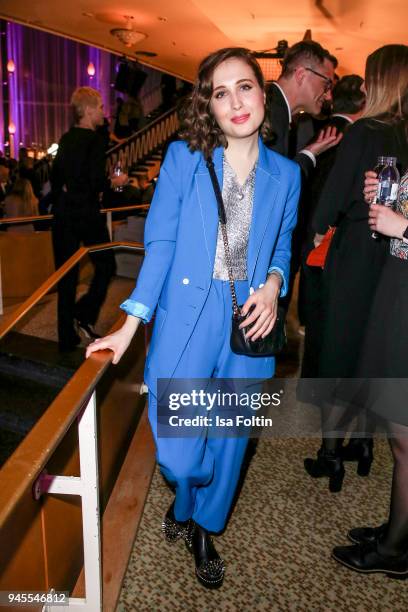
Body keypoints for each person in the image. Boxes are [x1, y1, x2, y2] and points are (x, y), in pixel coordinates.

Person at [86, 47, 300, 588]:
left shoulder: (288, 174)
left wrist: (275, 286)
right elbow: (159, 244)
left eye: (244, 86)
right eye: (220, 92)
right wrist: (129, 323)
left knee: (229, 444)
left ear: (262, 93)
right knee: (182, 457)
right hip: (187, 318)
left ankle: (204, 525)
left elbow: (282, 246)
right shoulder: (184, 159)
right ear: (210, 106)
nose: (235, 101)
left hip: (247, 324)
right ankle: (186, 495)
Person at [304, 44, 408, 492]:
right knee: (369, 352)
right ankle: (364, 442)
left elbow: (330, 202)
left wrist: (314, 229)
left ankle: (331, 454)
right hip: (393, 261)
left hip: (354, 255)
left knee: (335, 350)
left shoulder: (365, 131)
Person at [332, 163, 408, 576]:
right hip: (398, 289)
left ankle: (395, 550)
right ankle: (399, 529)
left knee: (405, 439)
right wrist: (384, 200)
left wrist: (404, 227)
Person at [51, 86, 127, 351]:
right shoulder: (95, 141)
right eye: (101, 108)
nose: (104, 113)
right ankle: (83, 313)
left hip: (62, 213)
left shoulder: (67, 138)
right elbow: (95, 181)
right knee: (106, 267)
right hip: (86, 213)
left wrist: (68, 189)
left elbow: (56, 179)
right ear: (89, 110)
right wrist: (115, 181)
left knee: (66, 276)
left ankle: (66, 336)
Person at [300, 75, 366, 378]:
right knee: (329, 316)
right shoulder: (360, 136)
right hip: (332, 236)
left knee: (314, 311)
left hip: (306, 228)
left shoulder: (311, 128)